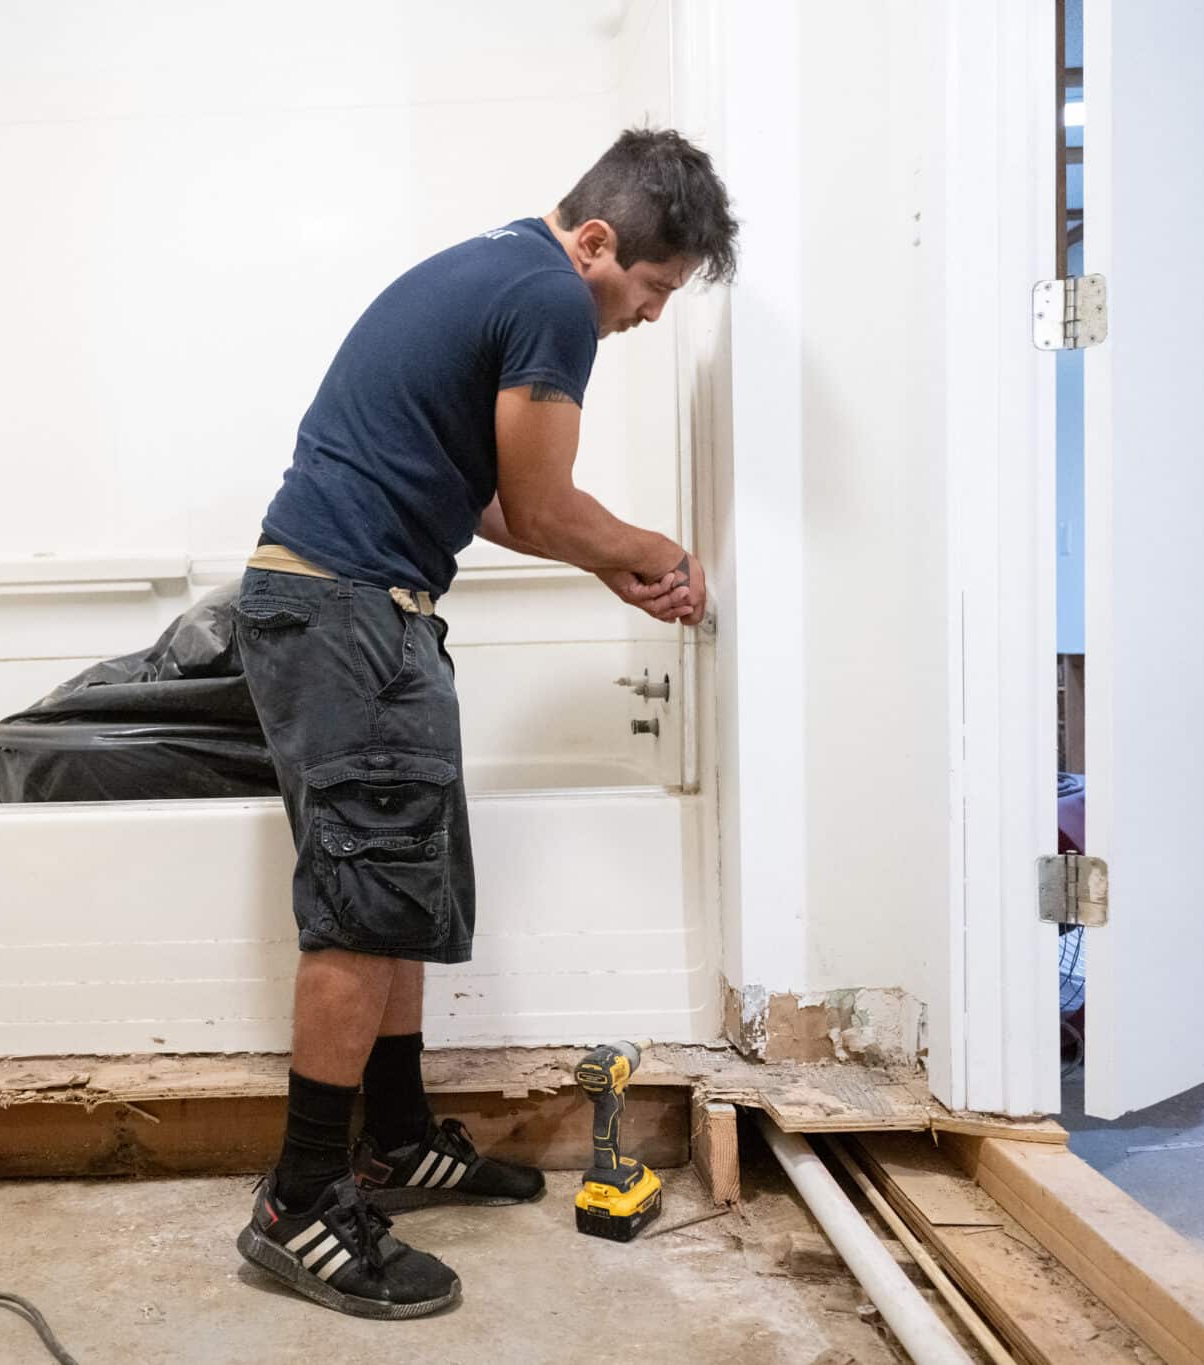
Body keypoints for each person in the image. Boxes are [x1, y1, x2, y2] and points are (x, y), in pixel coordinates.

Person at [232, 127, 738, 1318]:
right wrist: (655, 553)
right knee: (361, 906)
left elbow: (500, 505)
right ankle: (297, 1201)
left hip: (362, 606)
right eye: (652, 290)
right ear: (598, 243)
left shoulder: (496, 274)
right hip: (344, 608)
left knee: (397, 887)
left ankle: (393, 1138)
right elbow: (547, 503)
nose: (648, 317)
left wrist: (603, 562)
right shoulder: (546, 295)